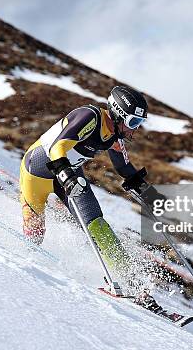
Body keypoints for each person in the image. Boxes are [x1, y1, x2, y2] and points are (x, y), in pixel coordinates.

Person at [19, 85, 156, 279]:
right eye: (133, 122)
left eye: (139, 122)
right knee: (35, 231)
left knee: (96, 223)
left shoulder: (115, 136)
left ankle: (131, 280)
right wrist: (67, 176)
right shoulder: (89, 116)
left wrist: (146, 192)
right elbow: (58, 147)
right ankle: (23, 268)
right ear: (118, 114)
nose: (135, 129)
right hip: (36, 172)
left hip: (68, 175)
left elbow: (124, 168)